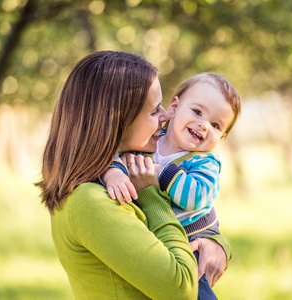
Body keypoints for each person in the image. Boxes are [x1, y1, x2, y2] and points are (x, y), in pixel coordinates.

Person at [35, 51, 232, 300]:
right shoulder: (91, 200)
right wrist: (149, 193)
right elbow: (182, 290)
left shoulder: (126, 167)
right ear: (116, 120)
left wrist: (215, 241)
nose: (166, 115)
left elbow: (193, 210)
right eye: (152, 111)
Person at [102, 73, 241, 299]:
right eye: (197, 112)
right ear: (174, 107)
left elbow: (196, 196)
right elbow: (117, 154)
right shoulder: (150, 141)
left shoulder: (204, 162)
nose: (203, 125)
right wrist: (114, 172)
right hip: (156, 241)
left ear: (222, 136)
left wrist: (161, 172)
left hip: (192, 244)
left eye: (215, 125)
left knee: (194, 292)